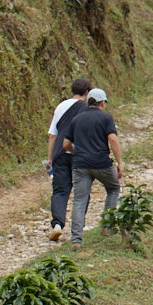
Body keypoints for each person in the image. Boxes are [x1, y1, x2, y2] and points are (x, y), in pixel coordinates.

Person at [64, 87, 124, 245]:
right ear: (102, 103)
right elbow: (113, 139)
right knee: (113, 189)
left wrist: (76, 151)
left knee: (79, 200)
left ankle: (76, 239)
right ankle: (106, 225)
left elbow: (65, 144)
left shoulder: (77, 119)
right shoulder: (105, 118)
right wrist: (119, 162)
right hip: (101, 163)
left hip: (80, 164)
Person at [46, 78, 92, 242]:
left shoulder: (61, 106)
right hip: (79, 154)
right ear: (87, 92)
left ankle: (57, 224)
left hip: (60, 153)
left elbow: (52, 135)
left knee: (60, 190)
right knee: (82, 191)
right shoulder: (88, 108)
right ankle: (78, 226)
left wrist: (50, 158)